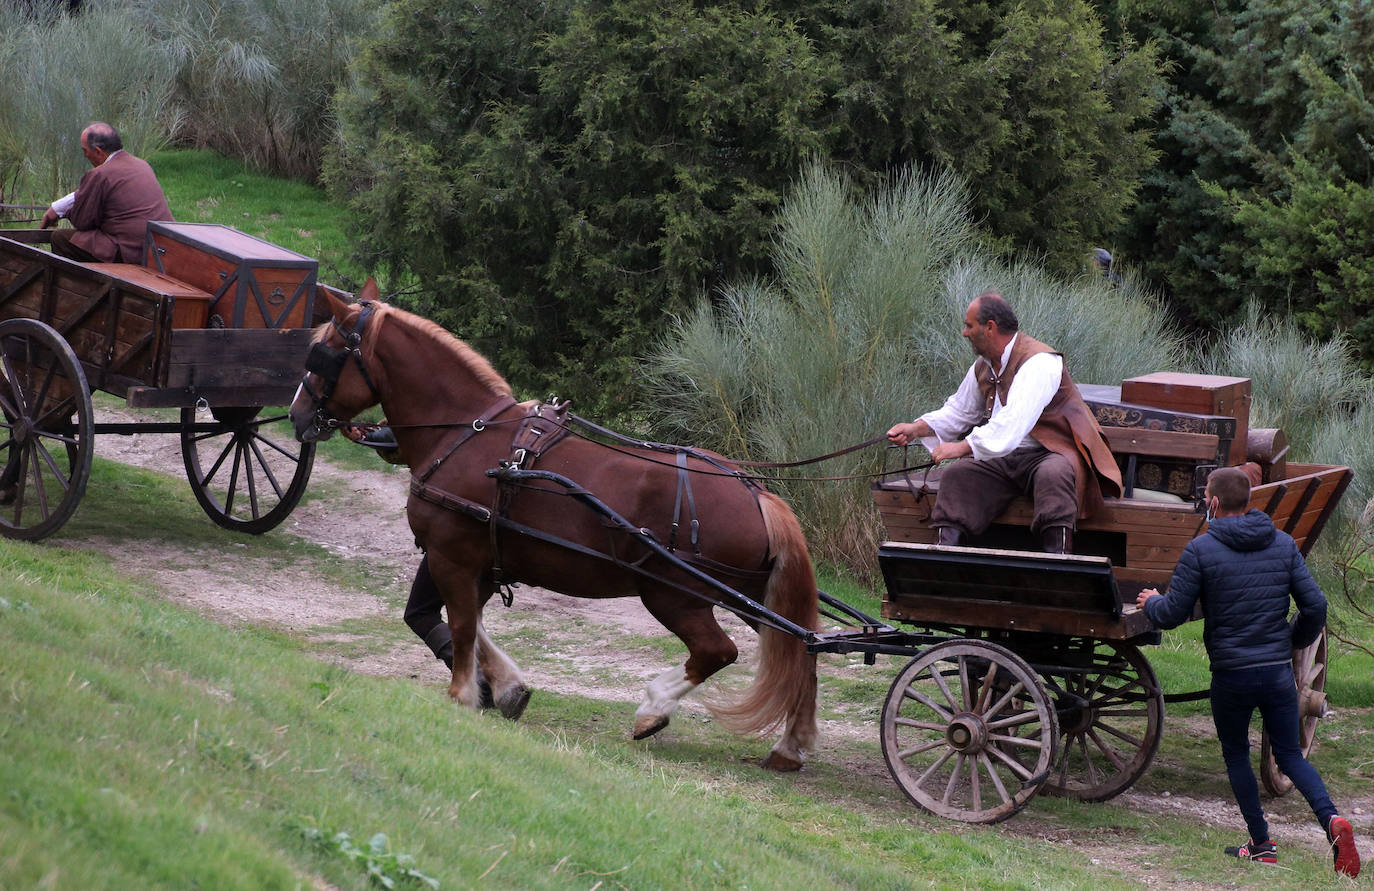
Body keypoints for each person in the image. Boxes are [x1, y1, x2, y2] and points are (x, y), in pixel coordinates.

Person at [1137, 466, 1360, 877]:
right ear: (1250, 501)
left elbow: (1169, 615)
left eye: (1206, 495)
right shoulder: (1282, 544)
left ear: (1215, 502)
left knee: (1236, 754)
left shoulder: (1201, 550)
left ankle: (1261, 844)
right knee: (1290, 755)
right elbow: (1316, 606)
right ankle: (1332, 821)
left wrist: (1151, 600)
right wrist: (1292, 641)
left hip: (1232, 675)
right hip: (1276, 673)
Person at [885, 292, 1121, 554]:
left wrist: (962, 447)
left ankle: (1058, 565)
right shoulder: (983, 366)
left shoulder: (1040, 362)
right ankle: (943, 561)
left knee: (1053, 475)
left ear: (990, 327)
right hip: (1005, 457)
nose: (964, 332)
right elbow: (959, 411)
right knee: (957, 476)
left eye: (969, 325)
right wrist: (915, 429)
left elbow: (1013, 422)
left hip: (1050, 453)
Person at [39, 121, 173, 264]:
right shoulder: (141, 165)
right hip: (160, 248)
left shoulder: (100, 174)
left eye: (85, 151)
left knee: (60, 238)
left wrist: (65, 213)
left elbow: (83, 222)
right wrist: (58, 207)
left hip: (131, 252)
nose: (84, 155)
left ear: (98, 151)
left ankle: (79, 286)